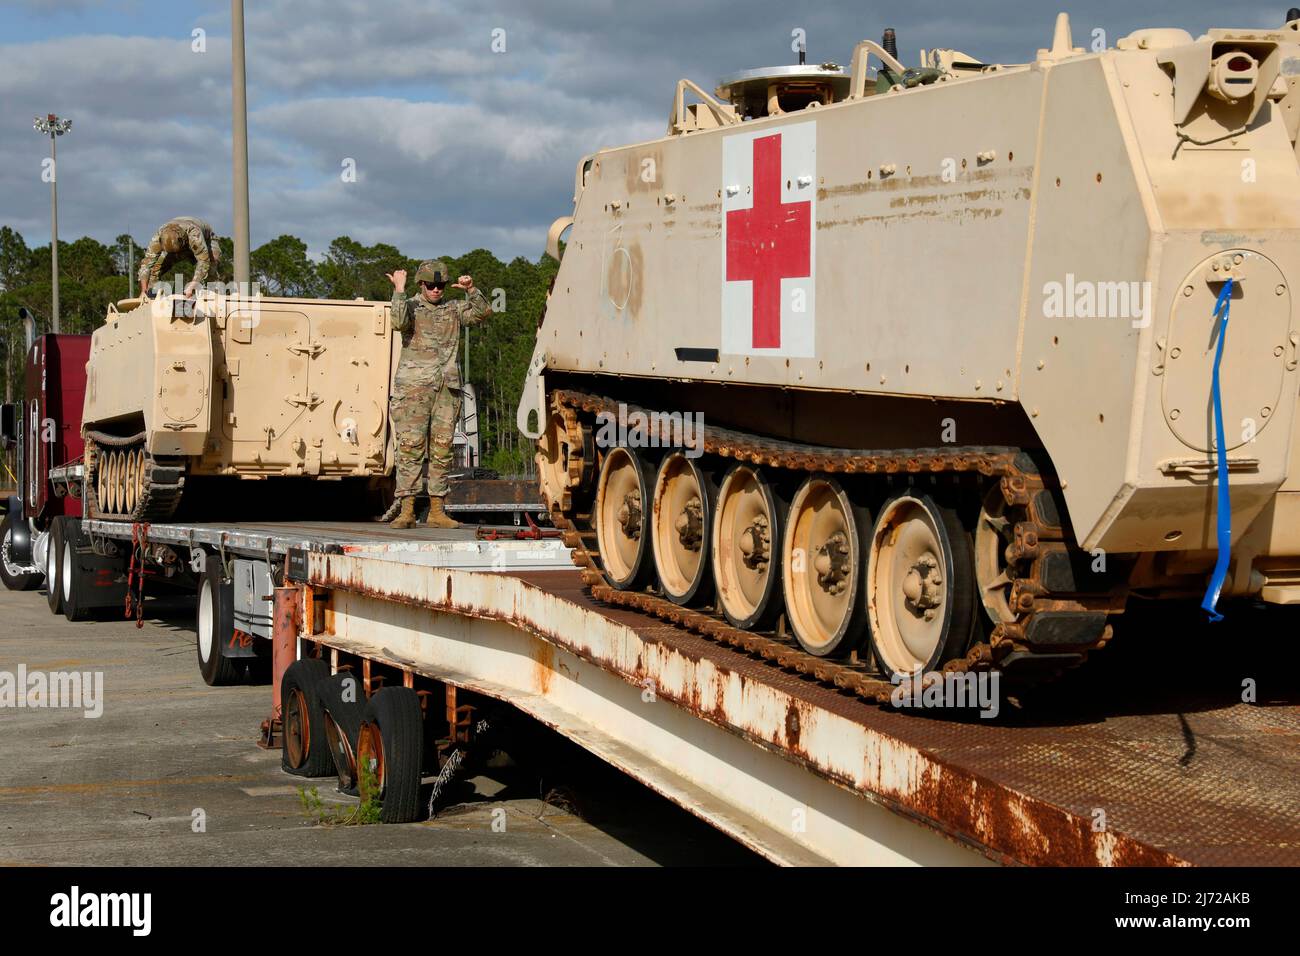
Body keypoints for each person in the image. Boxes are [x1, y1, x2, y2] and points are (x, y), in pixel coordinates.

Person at [385, 259, 491, 528]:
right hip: (414, 389)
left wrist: (471, 290)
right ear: (421, 284)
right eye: (431, 285)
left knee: (443, 449)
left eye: (440, 285)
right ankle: (407, 510)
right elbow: (398, 322)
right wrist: (398, 289)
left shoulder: (453, 309)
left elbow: (483, 313)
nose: (436, 290)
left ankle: (436, 511)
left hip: (446, 388)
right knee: (410, 448)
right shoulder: (409, 305)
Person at [137, 216, 221, 298]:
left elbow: (203, 261)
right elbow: (146, 264)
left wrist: (192, 285)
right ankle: (151, 296)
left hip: (206, 240)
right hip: (179, 246)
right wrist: (143, 290)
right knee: (155, 267)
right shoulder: (158, 237)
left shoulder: (194, 234)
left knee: (211, 264)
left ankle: (211, 295)